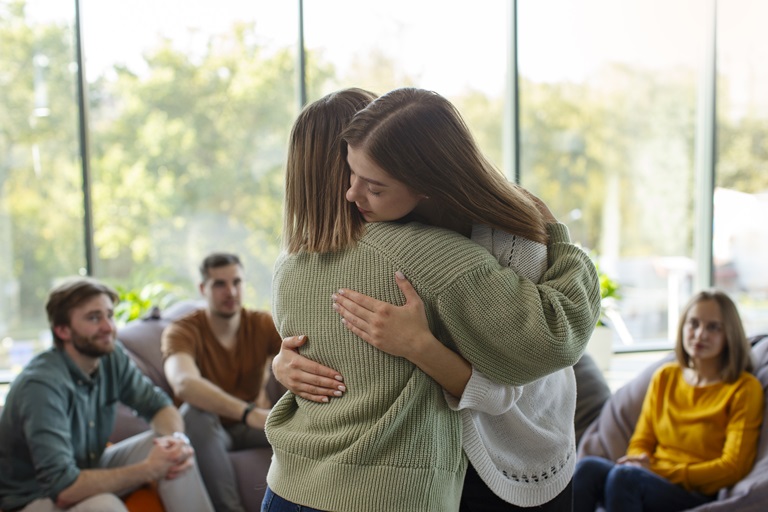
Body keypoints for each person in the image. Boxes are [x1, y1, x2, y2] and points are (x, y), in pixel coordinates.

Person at [263, 87, 601, 512]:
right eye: (353, 173)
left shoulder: (482, 244)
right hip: (435, 464)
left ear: (421, 178)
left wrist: (419, 347)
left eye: (372, 182)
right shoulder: (349, 250)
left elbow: (518, 377)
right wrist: (284, 360)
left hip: (514, 451)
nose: (352, 193)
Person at [0, 277, 213, 512]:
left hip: (87, 467)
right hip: (32, 498)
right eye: (94, 318)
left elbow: (158, 405)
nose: (108, 327)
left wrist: (177, 442)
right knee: (105, 506)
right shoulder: (41, 386)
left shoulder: (110, 357)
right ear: (62, 330)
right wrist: (150, 469)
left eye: (109, 315)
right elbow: (63, 488)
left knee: (171, 452)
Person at [573, 289, 765, 512]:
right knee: (588, 467)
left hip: (696, 492)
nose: (700, 334)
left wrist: (657, 471)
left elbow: (733, 467)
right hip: (648, 478)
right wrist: (639, 461)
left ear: (729, 334)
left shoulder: (744, 388)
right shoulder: (666, 377)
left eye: (713, 327)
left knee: (625, 477)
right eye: (693, 324)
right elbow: (641, 441)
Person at [161, 252, 282, 512]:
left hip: (254, 425)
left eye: (237, 282)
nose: (231, 291)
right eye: (220, 284)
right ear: (203, 288)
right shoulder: (182, 331)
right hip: (209, 429)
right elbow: (183, 383)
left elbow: (305, 352)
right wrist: (248, 413)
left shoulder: (261, 324)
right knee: (193, 413)